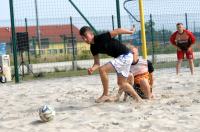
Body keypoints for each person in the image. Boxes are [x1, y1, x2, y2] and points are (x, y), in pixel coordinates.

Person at [79, 26, 142, 103]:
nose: (85, 39)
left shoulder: (100, 37)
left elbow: (117, 31)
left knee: (102, 69)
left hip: (125, 55)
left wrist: (130, 32)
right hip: (124, 57)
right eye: (83, 38)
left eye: (86, 36)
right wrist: (92, 69)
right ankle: (138, 99)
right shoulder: (93, 48)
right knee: (121, 83)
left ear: (91, 34)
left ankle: (105, 95)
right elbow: (97, 63)